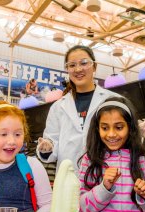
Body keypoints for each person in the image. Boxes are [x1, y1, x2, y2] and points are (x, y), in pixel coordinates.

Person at [79, 96, 145, 212]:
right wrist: (104, 188)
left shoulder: (142, 162)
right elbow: (80, 208)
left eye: (119, 127)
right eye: (105, 128)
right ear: (97, 128)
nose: (111, 134)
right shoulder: (90, 160)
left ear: (130, 128)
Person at [36, 45, 120, 174]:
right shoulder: (58, 107)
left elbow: (124, 137)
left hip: (106, 176)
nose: (78, 69)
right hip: (69, 178)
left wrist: (138, 133)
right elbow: (51, 143)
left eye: (84, 63)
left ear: (94, 66)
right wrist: (46, 148)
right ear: (67, 70)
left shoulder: (113, 100)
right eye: (72, 65)